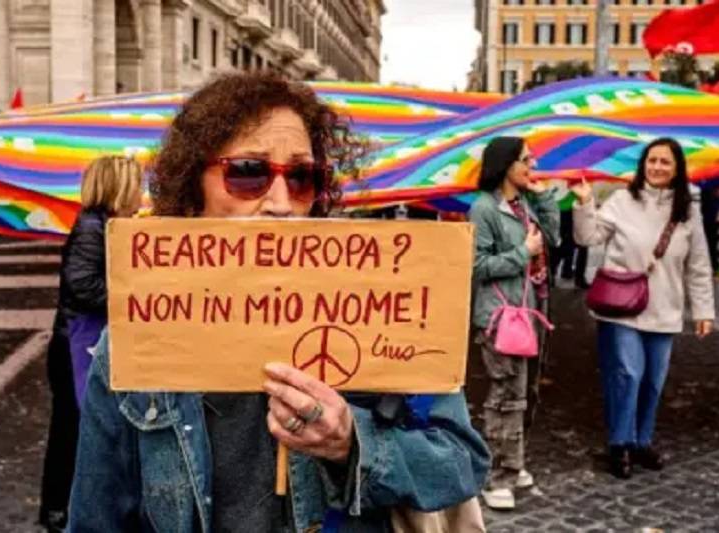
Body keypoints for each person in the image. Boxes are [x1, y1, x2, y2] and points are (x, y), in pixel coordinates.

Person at [67, 72, 490, 532]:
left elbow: (462, 463)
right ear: (192, 190)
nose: (281, 203)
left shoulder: (381, 310)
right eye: (249, 172)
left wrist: (352, 443)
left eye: (302, 177)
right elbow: (96, 520)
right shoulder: (134, 344)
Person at [571, 137, 715, 479]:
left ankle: (641, 441)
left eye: (665, 162)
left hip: (665, 308)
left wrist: (704, 310)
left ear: (677, 169)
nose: (657, 167)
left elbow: (698, 263)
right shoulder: (622, 200)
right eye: (652, 160)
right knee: (627, 373)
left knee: (652, 380)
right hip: (621, 307)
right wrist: (585, 203)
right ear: (642, 164)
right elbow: (587, 237)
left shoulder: (687, 210)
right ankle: (619, 443)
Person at [39, 156, 143, 532]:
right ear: (119, 187)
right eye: (136, 185)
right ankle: (57, 508)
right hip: (74, 344)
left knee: (78, 425)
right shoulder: (91, 228)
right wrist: (134, 298)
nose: (141, 193)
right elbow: (82, 285)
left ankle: (61, 505)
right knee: (72, 428)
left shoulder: (104, 225)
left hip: (77, 341)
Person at [468, 136, 560, 511]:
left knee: (525, 392)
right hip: (500, 315)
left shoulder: (525, 204)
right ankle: (497, 477)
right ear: (506, 164)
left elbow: (553, 237)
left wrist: (545, 198)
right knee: (506, 395)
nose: (532, 165)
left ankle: (514, 460)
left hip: (530, 310)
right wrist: (524, 252)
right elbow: (477, 266)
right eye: (526, 159)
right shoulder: (483, 209)